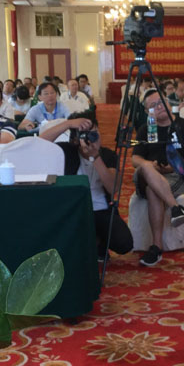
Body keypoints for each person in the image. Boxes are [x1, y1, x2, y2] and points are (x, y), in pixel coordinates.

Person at [39, 110, 133, 257]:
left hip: (100, 209)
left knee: (124, 243)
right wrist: (68, 124)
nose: (92, 138)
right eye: (85, 134)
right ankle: (93, 242)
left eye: (94, 133)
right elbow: (39, 143)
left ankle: (98, 241)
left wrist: (95, 157)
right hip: (74, 210)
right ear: (75, 139)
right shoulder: (67, 151)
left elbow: (113, 188)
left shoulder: (107, 155)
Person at [132, 89, 184, 266]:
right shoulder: (145, 129)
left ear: (169, 103)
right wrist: (150, 166)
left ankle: (156, 248)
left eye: (161, 102)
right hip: (146, 174)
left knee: (152, 189)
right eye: (153, 105)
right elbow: (135, 158)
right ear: (147, 111)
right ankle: (175, 207)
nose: (159, 107)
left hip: (174, 174)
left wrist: (172, 167)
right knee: (146, 167)